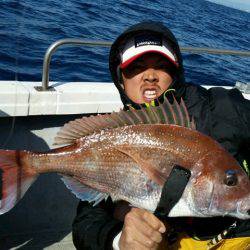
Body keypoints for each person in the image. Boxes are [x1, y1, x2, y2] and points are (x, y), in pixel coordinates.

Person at [72, 21, 250, 249]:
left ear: (176, 73)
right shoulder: (113, 134)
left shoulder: (221, 108)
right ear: (121, 79)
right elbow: (85, 223)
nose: (149, 76)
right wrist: (119, 240)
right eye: (136, 67)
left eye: (161, 66)